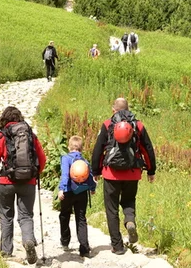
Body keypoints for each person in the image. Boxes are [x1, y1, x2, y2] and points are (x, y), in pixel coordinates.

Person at [0, 106, 47, 264]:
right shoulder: (30, 135)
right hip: (28, 182)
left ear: (4, 119)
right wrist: (35, 174)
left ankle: (6, 251)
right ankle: (28, 240)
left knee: (6, 216)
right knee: (26, 216)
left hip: (6, 182)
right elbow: (41, 159)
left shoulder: (3, 136)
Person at [91, 98, 156, 255]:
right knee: (128, 200)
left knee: (111, 209)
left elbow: (98, 149)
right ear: (128, 109)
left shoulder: (108, 124)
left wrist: (96, 171)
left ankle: (117, 246)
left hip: (111, 174)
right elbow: (148, 148)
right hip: (132, 173)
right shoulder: (137, 125)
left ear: (114, 110)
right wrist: (151, 170)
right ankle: (130, 221)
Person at [58, 136, 97, 258]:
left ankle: (65, 241)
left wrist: (61, 189)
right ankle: (84, 248)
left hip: (68, 192)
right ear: (81, 148)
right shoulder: (84, 161)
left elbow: (65, 174)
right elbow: (90, 177)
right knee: (81, 219)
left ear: (69, 147)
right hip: (82, 193)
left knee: (64, 215)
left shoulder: (65, 158)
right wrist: (92, 188)